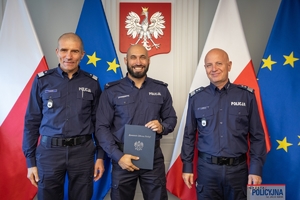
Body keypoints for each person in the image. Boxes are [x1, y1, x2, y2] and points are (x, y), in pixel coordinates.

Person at [22, 32, 105, 200]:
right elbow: (31, 121)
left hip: (82, 152)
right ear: (57, 52)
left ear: (82, 54)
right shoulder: (42, 81)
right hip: (49, 153)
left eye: (74, 51)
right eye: (64, 50)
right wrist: (30, 162)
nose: (69, 56)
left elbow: (100, 124)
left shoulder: (92, 83)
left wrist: (101, 157)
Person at [181, 48, 266, 200]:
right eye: (209, 65)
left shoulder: (246, 96)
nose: (214, 69)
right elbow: (189, 136)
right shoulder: (197, 98)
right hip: (207, 171)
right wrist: (187, 166)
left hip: (238, 171)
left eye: (219, 63)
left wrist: (256, 169)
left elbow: (257, 136)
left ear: (229, 65)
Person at [96, 44, 177, 200]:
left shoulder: (161, 89)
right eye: (133, 57)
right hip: (122, 158)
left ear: (148, 60)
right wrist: (118, 156)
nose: (138, 62)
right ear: (126, 60)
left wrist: (162, 127)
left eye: (142, 57)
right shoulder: (112, 91)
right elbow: (101, 127)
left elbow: (171, 119)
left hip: (153, 158)